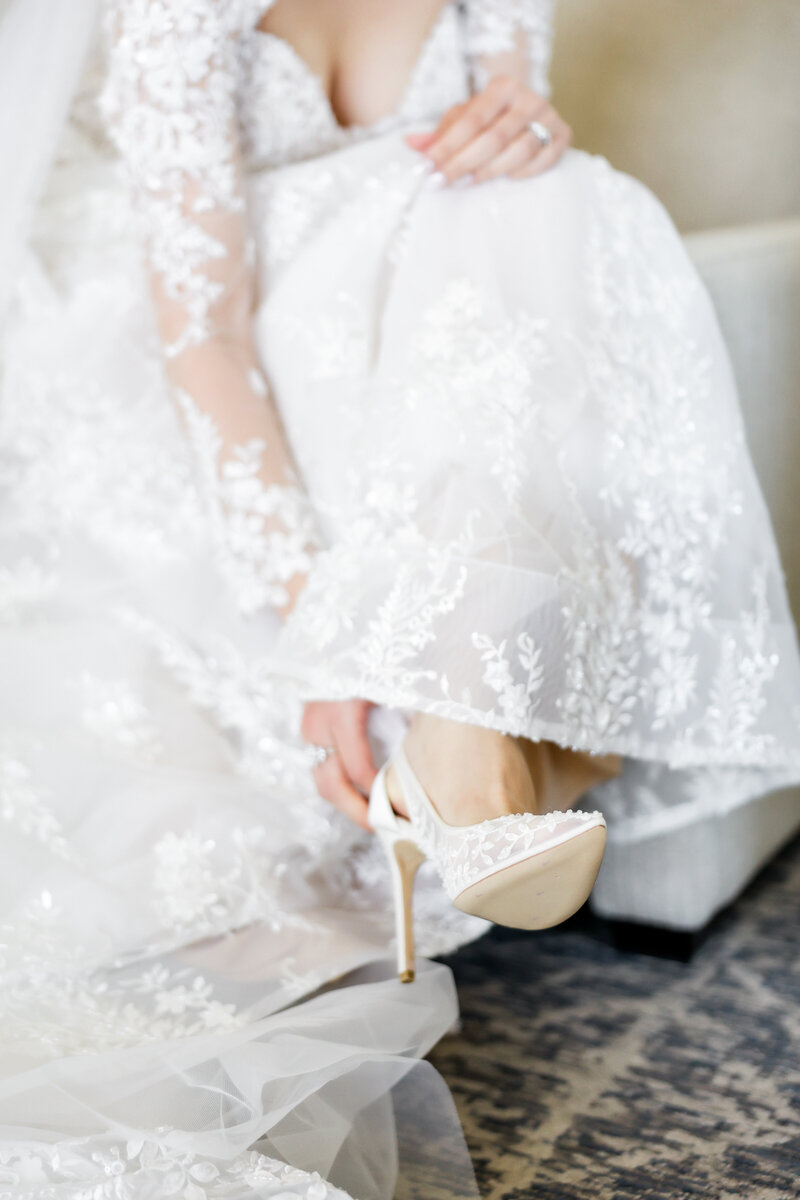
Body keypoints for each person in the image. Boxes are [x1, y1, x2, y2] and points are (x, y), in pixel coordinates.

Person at [1, 1, 799, 1197]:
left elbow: (500, 188)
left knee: (541, 186)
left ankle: (457, 728)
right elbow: (202, 337)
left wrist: (524, 130)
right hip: (210, 385)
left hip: (399, 375)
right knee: (522, 200)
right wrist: (322, 626)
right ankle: (472, 740)